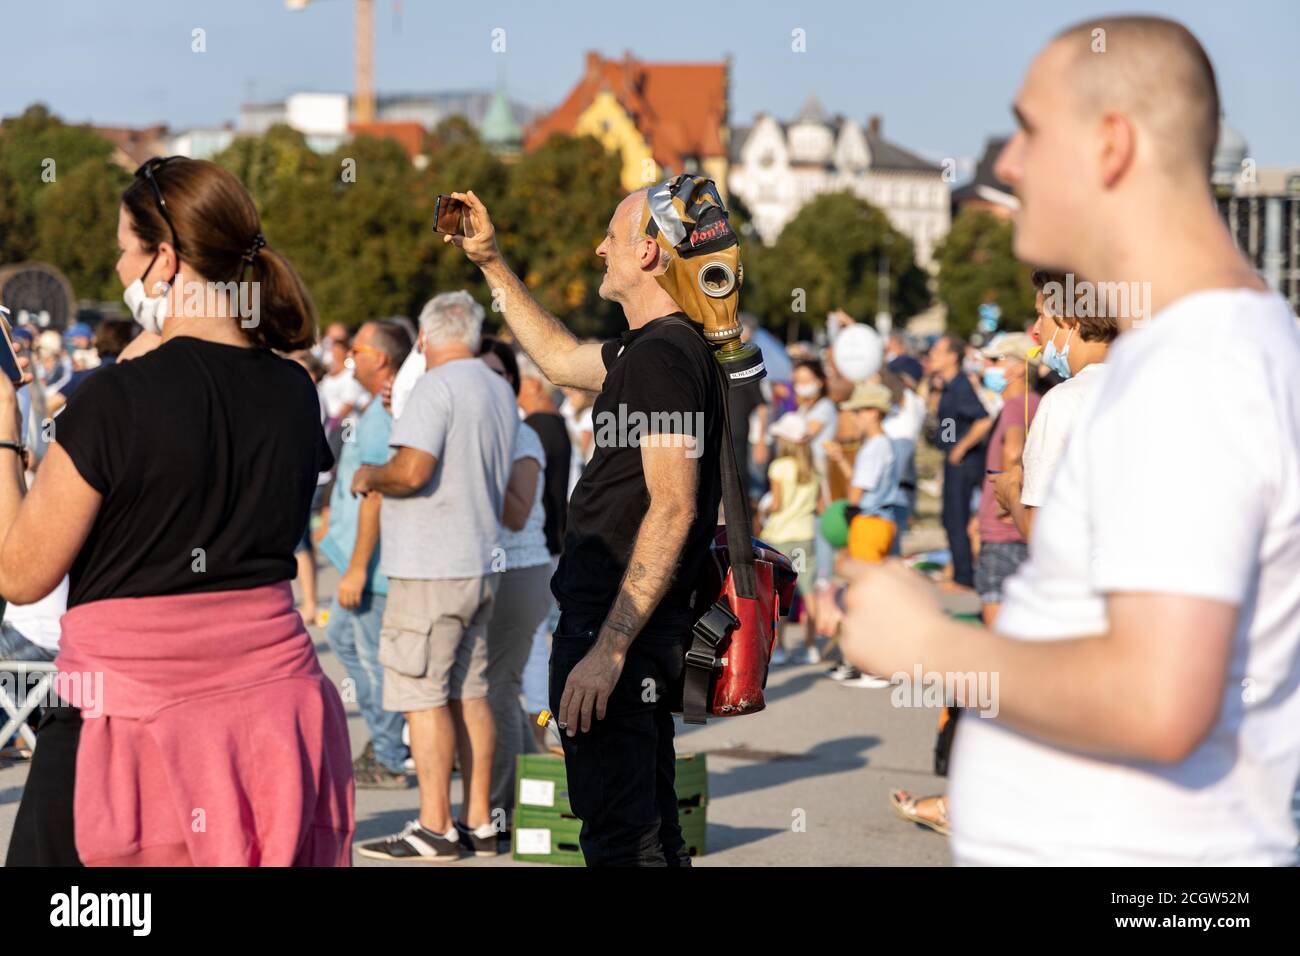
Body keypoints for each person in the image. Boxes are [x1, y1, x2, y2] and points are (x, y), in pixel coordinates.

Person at [842, 15, 1300, 866]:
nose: (1006, 164)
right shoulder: (1201, 345)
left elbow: (1158, 701)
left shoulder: (1194, 365)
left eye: (1029, 129)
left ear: (1111, 146)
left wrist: (928, 643)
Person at [1, 156, 351, 867]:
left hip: (127, 724)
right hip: (271, 716)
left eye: (127, 251)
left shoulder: (115, 402)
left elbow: (19, 572)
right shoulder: (293, 392)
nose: (120, 268)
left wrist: (5, 421)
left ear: (164, 260)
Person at [444, 187, 724, 867]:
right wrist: (491, 263)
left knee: (618, 839)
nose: (599, 248)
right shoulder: (651, 350)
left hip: (617, 628)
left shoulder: (663, 358)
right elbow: (560, 359)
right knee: (645, 829)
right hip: (626, 626)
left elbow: (675, 506)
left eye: (612, 236)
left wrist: (610, 647)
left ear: (649, 252)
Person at [351, 291, 517, 863]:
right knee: (470, 693)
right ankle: (479, 821)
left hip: (430, 567)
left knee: (422, 696)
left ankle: (434, 826)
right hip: (480, 561)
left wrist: (371, 474)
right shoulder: (497, 386)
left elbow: (413, 469)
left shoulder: (435, 387)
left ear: (426, 336)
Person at [320, 319, 412, 789]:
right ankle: (390, 740)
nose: (348, 357)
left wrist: (356, 568)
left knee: (371, 658)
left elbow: (375, 494)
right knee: (343, 640)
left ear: (380, 358)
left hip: (371, 568)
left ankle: (391, 755)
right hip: (359, 561)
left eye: (357, 349)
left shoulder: (383, 417)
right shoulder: (378, 405)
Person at [477, 336, 554, 834]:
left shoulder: (520, 437)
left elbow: (517, 510)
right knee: (496, 688)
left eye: (493, 373)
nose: (482, 383)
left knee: (496, 689)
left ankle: (500, 809)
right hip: (491, 572)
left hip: (520, 572)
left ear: (511, 381)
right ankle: (533, 798)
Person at [993, 270, 1117, 541]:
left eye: (1041, 316)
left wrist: (1011, 493)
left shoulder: (1064, 401)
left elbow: (1041, 533)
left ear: (1071, 321)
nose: (1036, 331)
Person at [514, 350, 572, 749]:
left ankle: (542, 723)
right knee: (539, 638)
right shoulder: (556, 424)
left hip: (538, 544)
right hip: (553, 542)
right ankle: (543, 719)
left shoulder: (535, 427)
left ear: (533, 384)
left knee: (534, 642)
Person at [924, 335, 991, 591]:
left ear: (953, 357)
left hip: (965, 461)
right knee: (950, 517)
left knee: (956, 517)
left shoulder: (961, 384)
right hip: (953, 458)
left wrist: (961, 447)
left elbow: (982, 419)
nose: (932, 355)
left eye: (938, 351)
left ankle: (964, 579)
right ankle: (959, 571)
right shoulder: (948, 385)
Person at [759, 412, 819, 665]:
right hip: (804, 534)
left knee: (779, 594)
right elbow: (821, 505)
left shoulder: (779, 466)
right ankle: (811, 646)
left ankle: (779, 646)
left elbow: (777, 503)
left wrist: (761, 510)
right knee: (808, 591)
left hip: (779, 535)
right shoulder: (814, 469)